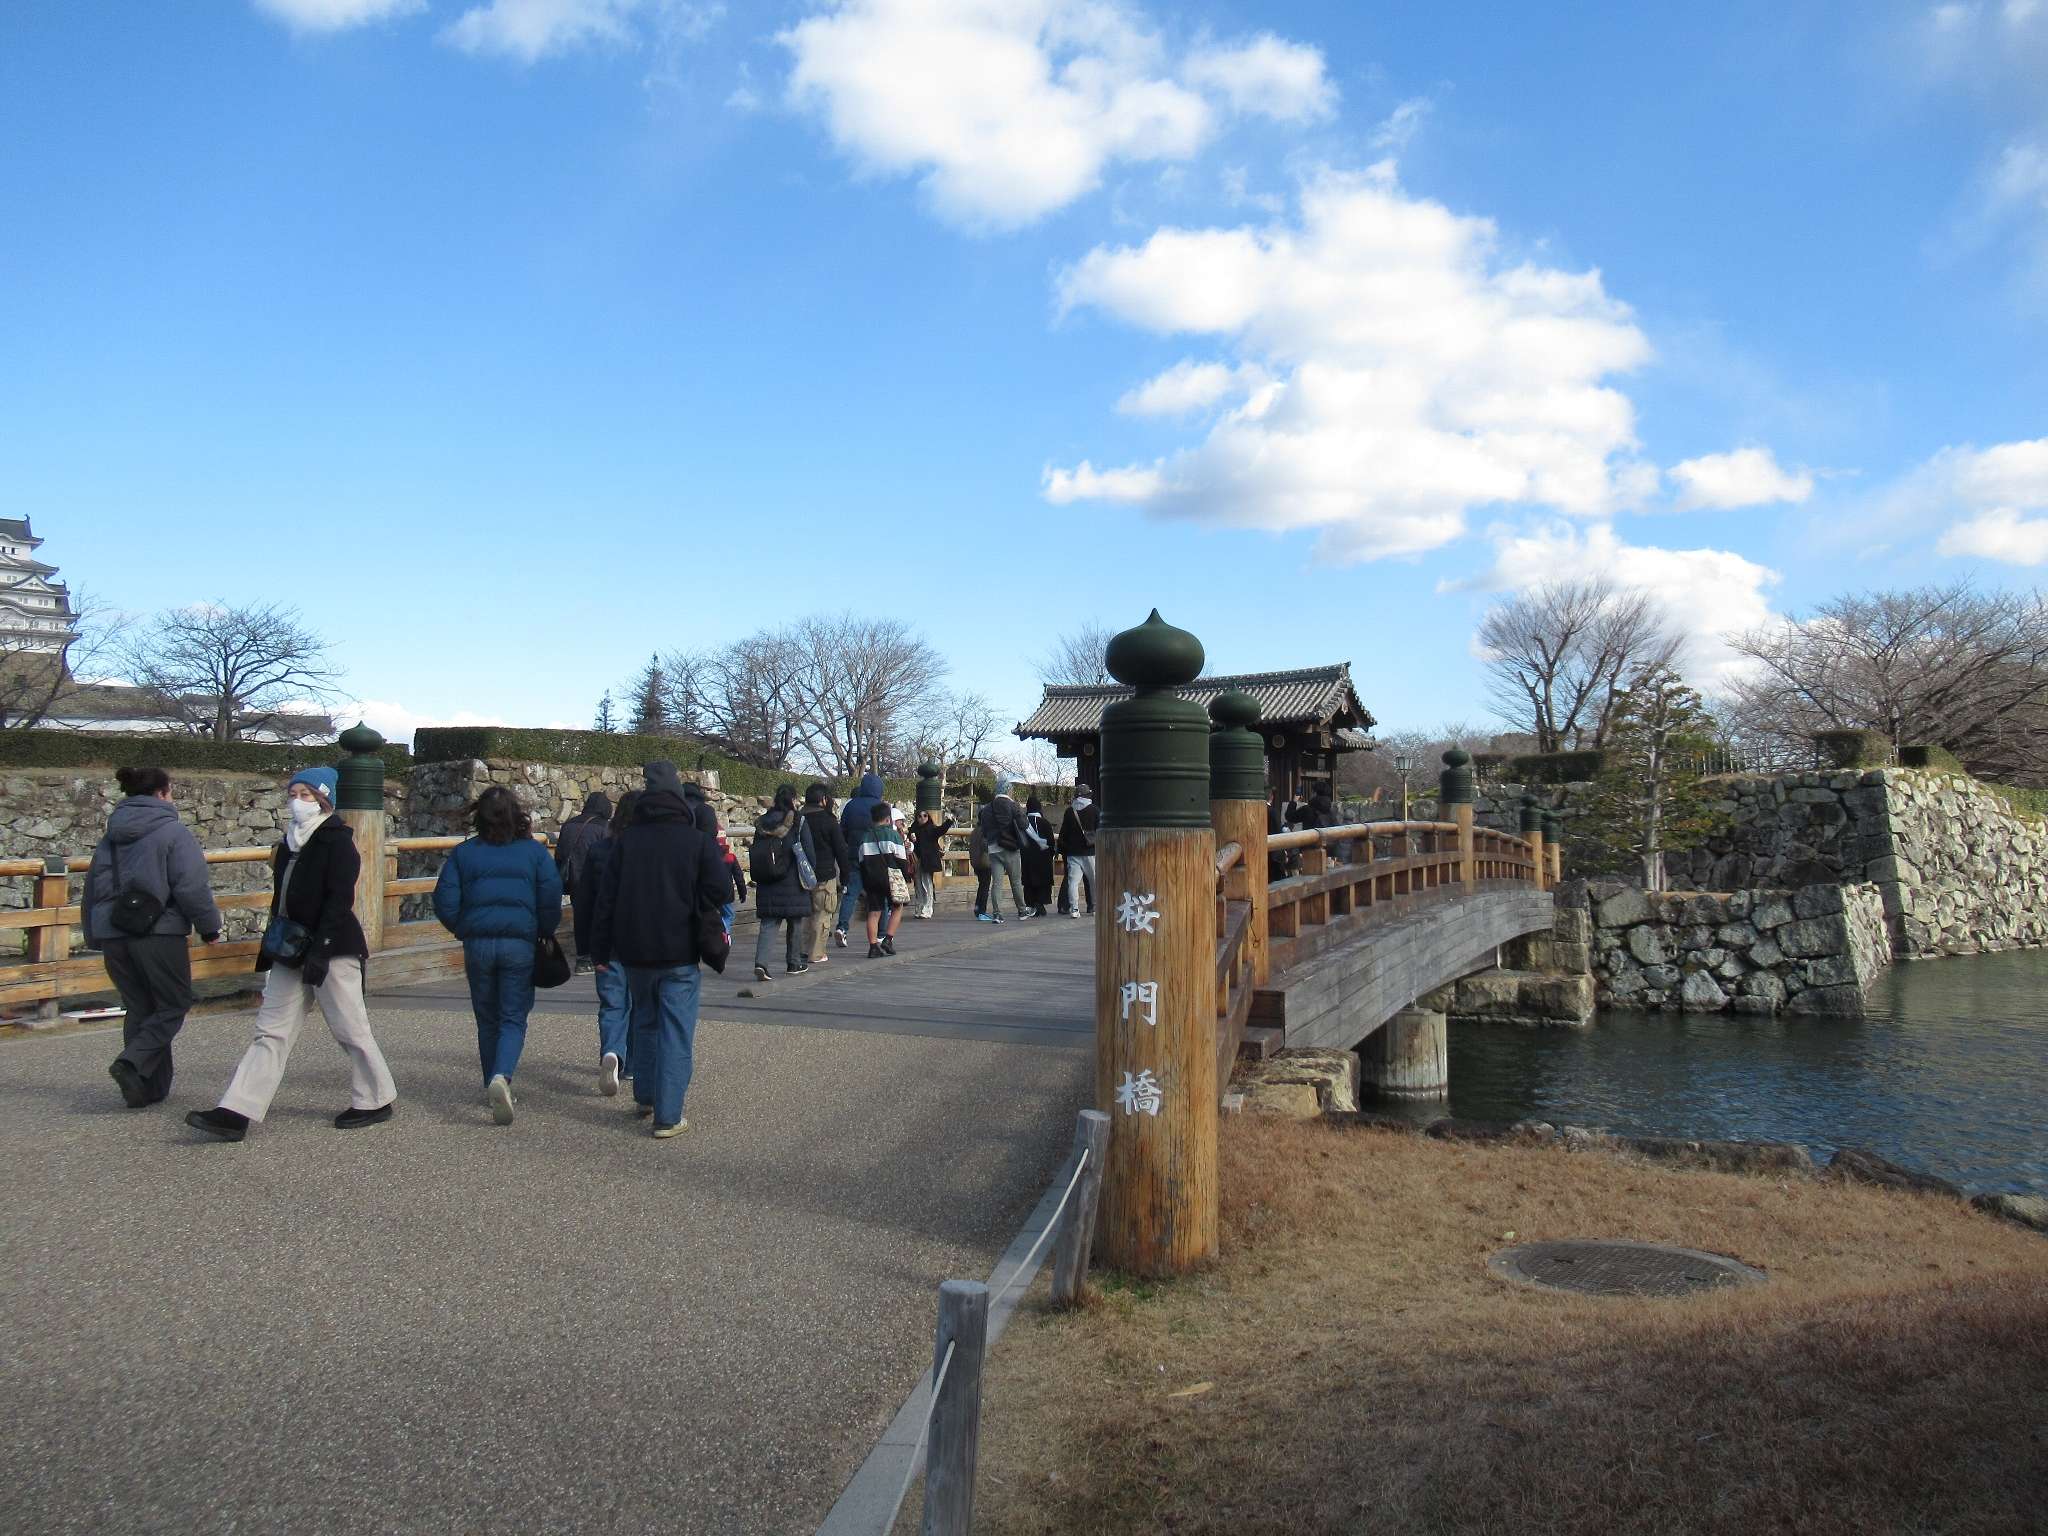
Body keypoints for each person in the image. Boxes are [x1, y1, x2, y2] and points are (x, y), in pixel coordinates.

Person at [186, 768, 397, 1142]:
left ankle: (375, 1098)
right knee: (270, 1031)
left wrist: (323, 949)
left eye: (306, 794)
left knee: (350, 1027)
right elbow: (280, 900)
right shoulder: (287, 845)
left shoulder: (337, 842)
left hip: (332, 947)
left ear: (323, 798)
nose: (297, 801)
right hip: (289, 946)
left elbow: (339, 901)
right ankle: (236, 1111)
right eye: (294, 793)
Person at [590, 761, 732, 1138]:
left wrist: (599, 951)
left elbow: (606, 900)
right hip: (680, 949)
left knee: (645, 1021)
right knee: (675, 1030)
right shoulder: (695, 841)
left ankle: (646, 1096)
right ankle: (668, 1115)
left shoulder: (626, 842)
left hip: (634, 950)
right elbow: (723, 891)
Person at [83, 765, 223, 1108]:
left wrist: (94, 932)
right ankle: (132, 1063)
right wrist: (209, 927)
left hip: (115, 932)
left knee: (140, 1007)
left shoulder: (111, 836)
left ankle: (146, 1088)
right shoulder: (172, 832)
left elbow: (93, 888)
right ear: (163, 793)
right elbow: (190, 885)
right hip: (158, 931)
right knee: (174, 1002)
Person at [429, 784, 563, 1126]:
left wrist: (463, 926)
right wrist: (544, 930)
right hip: (519, 942)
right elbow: (550, 897)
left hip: (478, 943)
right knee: (513, 1015)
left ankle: (492, 1077)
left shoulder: (465, 854)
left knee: (486, 1016)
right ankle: (502, 1076)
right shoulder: (533, 854)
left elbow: (444, 898)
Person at [576, 790, 639, 1095]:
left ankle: (612, 1052)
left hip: (606, 938)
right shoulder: (648, 852)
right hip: (643, 941)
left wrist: (584, 947)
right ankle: (634, 1063)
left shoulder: (600, 850)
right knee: (640, 1004)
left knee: (613, 1004)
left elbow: (585, 900)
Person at [749, 784, 818, 981]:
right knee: (795, 921)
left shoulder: (762, 823)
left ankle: (761, 963)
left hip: (767, 878)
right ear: (793, 799)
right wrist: (810, 870)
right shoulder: (798, 820)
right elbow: (809, 852)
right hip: (792, 878)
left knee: (769, 922)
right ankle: (794, 962)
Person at [553, 790, 612, 971]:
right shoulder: (604, 827)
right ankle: (597, 957)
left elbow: (560, 854)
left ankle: (583, 958)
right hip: (596, 880)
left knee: (580, 917)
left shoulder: (569, 825)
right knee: (598, 918)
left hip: (573, 879)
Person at [832, 771, 888, 946]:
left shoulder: (851, 806)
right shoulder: (881, 807)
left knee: (850, 893)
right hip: (876, 858)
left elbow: (843, 832)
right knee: (880, 895)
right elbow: (887, 833)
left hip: (854, 855)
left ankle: (842, 928)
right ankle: (882, 933)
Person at [853, 802, 911, 958]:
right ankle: (888, 939)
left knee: (873, 912)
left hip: (871, 879)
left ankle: (873, 946)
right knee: (897, 907)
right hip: (890, 878)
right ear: (888, 819)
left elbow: (860, 861)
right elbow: (902, 859)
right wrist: (906, 876)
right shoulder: (893, 835)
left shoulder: (865, 836)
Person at [800, 784, 847, 963]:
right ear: (824, 799)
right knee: (822, 914)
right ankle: (816, 953)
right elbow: (840, 849)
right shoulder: (828, 820)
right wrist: (845, 874)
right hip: (824, 873)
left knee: (806, 914)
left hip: (801, 874)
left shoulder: (798, 818)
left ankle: (803, 950)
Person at [982, 774, 1031, 922]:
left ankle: (997, 913)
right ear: (1008, 790)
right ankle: (1022, 911)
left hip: (993, 849)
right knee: (1015, 881)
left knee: (996, 883)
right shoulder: (1013, 805)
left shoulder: (987, 808)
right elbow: (1024, 825)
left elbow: (984, 830)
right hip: (1010, 848)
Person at [1059, 784, 1098, 919]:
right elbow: (1100, 830)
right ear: (1088, 795)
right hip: (1090, 852)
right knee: (1093, 881)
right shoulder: (1094, 810)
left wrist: (1065, 848)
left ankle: (1074, 909)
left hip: (1073, 853)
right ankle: (1094, 907)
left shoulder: (1070, 811)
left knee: (1073, 882)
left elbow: (1063, 833)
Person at [909, 808, 953, 919]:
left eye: (925, 815)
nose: (922, 818)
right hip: (916, 860)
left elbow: (941, 830)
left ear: (928, 817)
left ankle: (927, 909)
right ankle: (919, 908)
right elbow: (910, 843)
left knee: (926, 884)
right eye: (920, 816)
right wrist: (911, 837)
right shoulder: (913, 829)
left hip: (927, 861)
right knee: (918, 885)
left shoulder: (931, 828)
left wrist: (949, 821)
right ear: (917, 818)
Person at [1020, 795, 1057, 918]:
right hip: (1043, 858)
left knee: (1029, 881)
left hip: (1027, 858)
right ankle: (1040, 903)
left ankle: (1030, 905)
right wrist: (1052, 853)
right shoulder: (1045, 823)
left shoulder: (1023, 823)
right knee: (1042, 881)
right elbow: (1051, 842)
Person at [970, 814, 993, 922]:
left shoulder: (975, 830)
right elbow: (985, 845)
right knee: (985, 886)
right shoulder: (986, 830)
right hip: (984, 862)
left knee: (982, 885)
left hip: (976, 862)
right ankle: (981, 911)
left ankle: (977, 907)